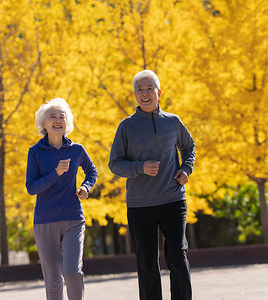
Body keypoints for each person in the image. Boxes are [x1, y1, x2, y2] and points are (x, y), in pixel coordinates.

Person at [109, 70, 195, 300]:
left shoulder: (173, 122)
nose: (145, 93)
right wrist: (140, 167)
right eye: (140, 89)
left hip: (173, 200)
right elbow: (115, 164)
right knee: (147, 264)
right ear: (135, 95)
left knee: (178, 255)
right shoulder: (126, 127)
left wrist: (186, 169)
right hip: (140, 205)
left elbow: (189, 147)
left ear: (159, 92)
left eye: (149, 89)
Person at [26, 98, 98, 300]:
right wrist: (55, 173)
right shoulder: (35, 153)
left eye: (62, 117)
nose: (58, 120)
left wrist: (85, 186)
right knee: (53, 279)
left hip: (73, 218)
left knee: (72, 272)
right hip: (44, 220)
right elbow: (31, 187)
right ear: (44, 123)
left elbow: (92, 171)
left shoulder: (77, 150)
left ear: (67, 122)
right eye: (52, 117)